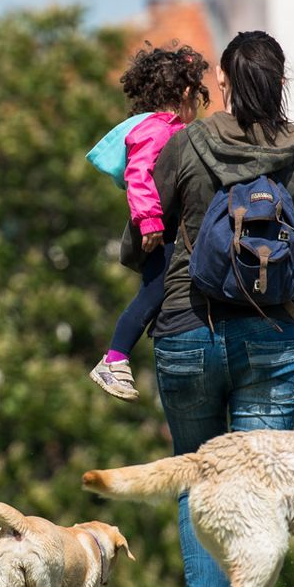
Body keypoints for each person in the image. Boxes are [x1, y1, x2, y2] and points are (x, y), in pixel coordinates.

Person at [148, 30, 294, 587]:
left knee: (198, 471)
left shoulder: (186, 144)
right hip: (272, 338)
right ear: (282, 85)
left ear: (222, 81)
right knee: (256, 487)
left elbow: (140, 237)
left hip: (188, 327)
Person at [88, 44, 212, 402]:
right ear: (186, 94)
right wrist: (150, 220)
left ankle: (119, 357)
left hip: (164, 228)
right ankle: (114, 358)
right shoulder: (157, 130)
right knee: (154, 292)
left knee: (158, 293)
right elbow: (138, 175)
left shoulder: (163, 128)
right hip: (158, 231)